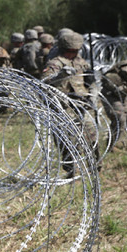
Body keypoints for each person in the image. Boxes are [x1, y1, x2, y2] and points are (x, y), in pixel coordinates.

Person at [42, 31, 98, 177]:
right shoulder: (55, 63)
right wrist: (61, 75)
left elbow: (90, 80)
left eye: (75, 51)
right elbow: (45, 83)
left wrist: (93, 92)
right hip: (63, 106)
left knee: (91, 136)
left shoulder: (81, 62)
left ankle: (95, 167)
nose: (73, 54)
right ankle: (71, 170)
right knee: (67, 140)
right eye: (70, 51)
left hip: (82, 104)